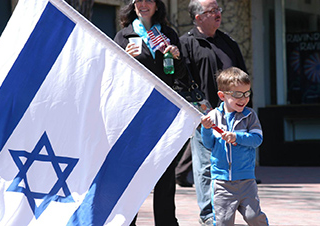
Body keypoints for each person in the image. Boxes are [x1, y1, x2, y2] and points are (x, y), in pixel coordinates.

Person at [114, 0, 187, 225]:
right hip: (135, 115)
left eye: (149, 0)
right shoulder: (123, 36)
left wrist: (176, 57)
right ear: (133, 5)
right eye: (139, 0)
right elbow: (114, 76)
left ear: (157, 5)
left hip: (163, 113)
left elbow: (181, 75)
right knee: (132, 176)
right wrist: (124, 58)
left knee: (165, 176)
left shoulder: (168, 34)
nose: (143, 4)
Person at [178, 0, 249, 225]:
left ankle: (230, 210)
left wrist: (245, 111)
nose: (218, 14)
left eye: (218, 9)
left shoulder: (229, 42)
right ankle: (209, 216)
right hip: (205, 118)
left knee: (232, 165)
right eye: (212, 11)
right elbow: (181, 81)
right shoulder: (186, 44)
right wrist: (199, 112)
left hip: (233, 118)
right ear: (198, 17)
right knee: (206, 167)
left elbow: (244, 78)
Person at [200, 67, 268, 225]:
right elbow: (208, 144)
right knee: (223, 221)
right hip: (222, 183)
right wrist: (206, 129)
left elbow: (257, 139)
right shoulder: (213, 116)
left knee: (254, 217)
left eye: (247, 93)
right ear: (222, 95)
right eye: (238, 94)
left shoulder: (250, 116)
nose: (243, 99)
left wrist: (237, 137)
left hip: (246, 181)